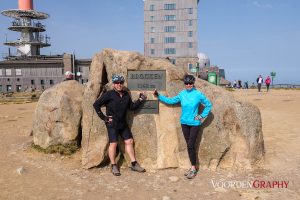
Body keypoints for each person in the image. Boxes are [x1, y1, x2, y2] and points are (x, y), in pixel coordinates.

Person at [153, 74, 212, 179]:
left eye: (190, 83)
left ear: (193, 84)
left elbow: (208, 105)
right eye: (187, 83)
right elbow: (171, 101)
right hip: (184, 123)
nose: (188, 85)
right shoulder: (182, 94)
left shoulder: (198, 94)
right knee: (189, 146)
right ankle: (192, 167)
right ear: (184, 84)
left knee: (190, 145)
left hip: (194, 124)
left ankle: (193, 168)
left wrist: (201, 116)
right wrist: (159, 96)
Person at [93, 75, 147, 176]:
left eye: (121, 83)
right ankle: (113, 165)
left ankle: (134, 164)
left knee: (129, 141)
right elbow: (96, 105)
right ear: (114, 84)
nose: (119, 85)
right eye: (117, 83)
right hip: (112, 124)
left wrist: (140, 99)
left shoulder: (126, 95)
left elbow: (131, 107)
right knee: (113, 144)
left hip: (123, 123)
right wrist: (104, 118)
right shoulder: (109, 94)